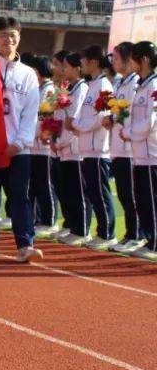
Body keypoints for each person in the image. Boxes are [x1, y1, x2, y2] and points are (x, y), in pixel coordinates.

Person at [0, 16, 42, 263]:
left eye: (13, 35)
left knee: (19, 196)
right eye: (3, 35)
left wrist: (21, 142)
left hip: (18, 148)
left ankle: (25, 245)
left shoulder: (28, 75)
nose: (8, 39)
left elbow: (30, 112)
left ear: (19, 39)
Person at [73, 45, 116, 249]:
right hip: (87, 148)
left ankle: (107, 234)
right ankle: (101, 232)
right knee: (93, 192)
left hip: (98, 148)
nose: (81, 64)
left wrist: (78, 126)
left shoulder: (105, 85)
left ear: (94, 61)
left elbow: (102, 116)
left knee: (100, 193)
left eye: (84, 60)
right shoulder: (93, 85)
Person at [121, 41, 157, 260]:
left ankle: (154, 243)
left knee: (152, 200)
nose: (130, 63)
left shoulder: (154, 86)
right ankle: (148, 239)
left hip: (151, 153)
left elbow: (151, 120)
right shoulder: (142, 85)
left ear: (144, 60)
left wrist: (130, 133)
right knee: (143, 199)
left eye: (133, 58)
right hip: (140, 154)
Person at [107, 42, 142, 252]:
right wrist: (112, 117)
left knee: (131, 194)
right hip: (118, 145)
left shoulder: (135, 83)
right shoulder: (120, 83)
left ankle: (137, 234)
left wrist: (117, 117)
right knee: (123, 193)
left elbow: (132, 113)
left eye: (117, 58)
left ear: (129, 60)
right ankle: (131, 233)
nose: (113, 62)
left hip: (130, 147)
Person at [55, 53, 89, 245]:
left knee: (78, 191)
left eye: (66, 66)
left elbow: (72, 120)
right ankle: (73, 227)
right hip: (63, 146)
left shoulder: (82, 88)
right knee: (67, 190)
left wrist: (62, 141)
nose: (63, 70)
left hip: (75, 147)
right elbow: (61, 118)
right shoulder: (68, 88)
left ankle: (82, 229)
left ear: (77, 68)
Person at [23, 54, 58, 238]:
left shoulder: (50, 91)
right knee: (34, 185)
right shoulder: (37, 89)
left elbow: (46, 118)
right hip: (33, 145)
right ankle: (36, 218)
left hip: (43, 146)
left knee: (45, 184)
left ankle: (49, 220)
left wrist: (33, 133)